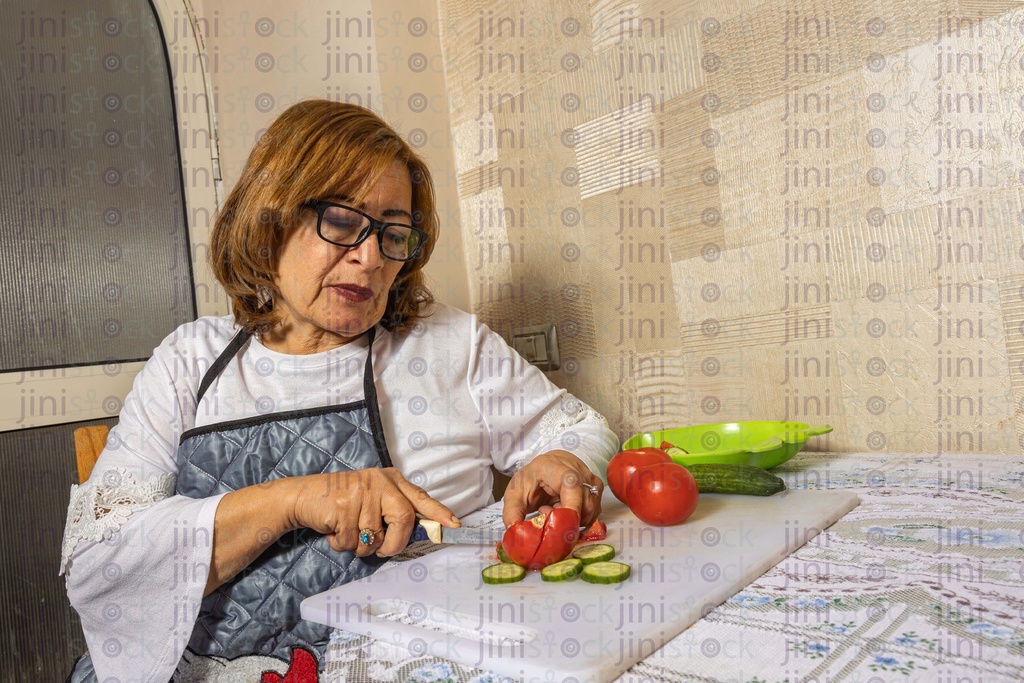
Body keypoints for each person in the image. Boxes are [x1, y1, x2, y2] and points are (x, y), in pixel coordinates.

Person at [61, 99, 618, 681]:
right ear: (270, 217)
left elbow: (578, 430)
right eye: (343, 222)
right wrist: (295, 499)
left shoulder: (448, 344)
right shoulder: (190, 360)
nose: (372, 257)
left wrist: (561, 459)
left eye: (392, 233)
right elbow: (102, 565)